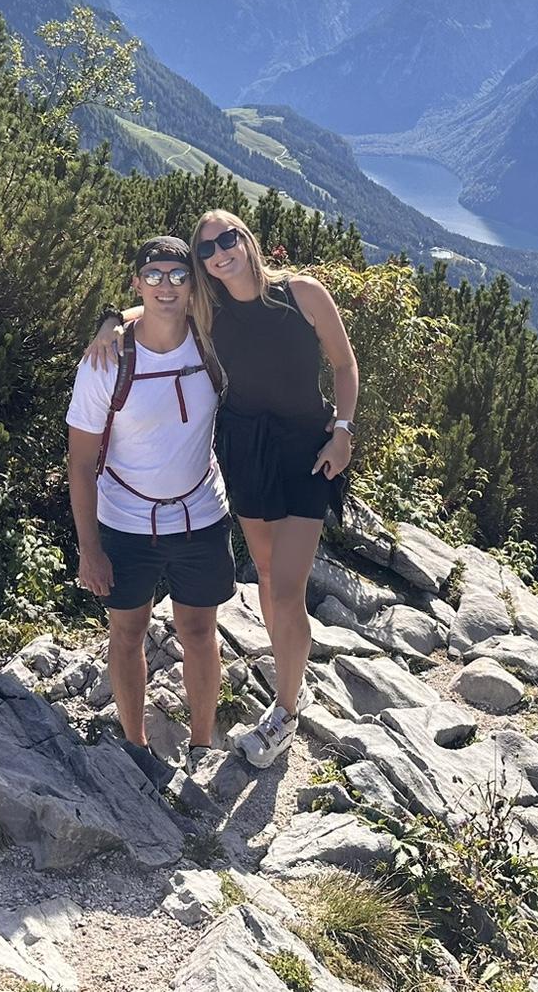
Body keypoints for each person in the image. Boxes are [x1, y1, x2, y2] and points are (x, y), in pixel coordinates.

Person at [87, 211, 359, 770]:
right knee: (263, 575)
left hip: (308, 451)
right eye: (206, 248)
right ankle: (287, 670)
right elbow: (152, 303)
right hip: (245, 451)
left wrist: (344, 431)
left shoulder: (303, 294)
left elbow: (345, 363)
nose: (219, 252)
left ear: (247, 239)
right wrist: (110, 321)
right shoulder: (206, 311)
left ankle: (286, 710)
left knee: (285, 589)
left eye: (227, 239)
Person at [66, 236, 234, 777]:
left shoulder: (211, 343)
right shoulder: (104, 361)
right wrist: (88, 548)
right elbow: (80, 462)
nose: (166, 285)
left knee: (200, 632)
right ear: (136, 281)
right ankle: (136, 745)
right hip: (126, 523)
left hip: (202, 516)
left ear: (193, 285)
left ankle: (202, 745)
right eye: (154, 274)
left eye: (178, 275)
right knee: (127, 632)